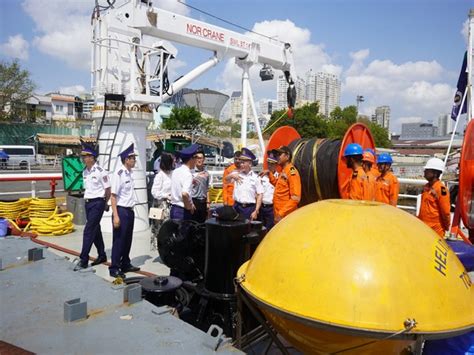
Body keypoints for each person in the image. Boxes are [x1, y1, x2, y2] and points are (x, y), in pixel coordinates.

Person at [74, 142, 111, 271]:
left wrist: (105, 203)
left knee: (88, 230)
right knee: (96, 229)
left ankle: (83, 259)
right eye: (83, 157)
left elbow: (108, 189)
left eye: (86, 156)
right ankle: (102, 255)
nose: (84, 159)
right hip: (88, 202)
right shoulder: (85, 171)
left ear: (92, 157)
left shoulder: (101, 171)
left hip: (98, 203)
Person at [109, 143, 140, 278]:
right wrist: (116, 216)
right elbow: (113, 196)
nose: (134, 160)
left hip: (129, 210)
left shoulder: (130, 173)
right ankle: (114, 267)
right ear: (126, 160)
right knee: (119, 240)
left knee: (128, 239)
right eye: (132, 158)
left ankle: (125, 263)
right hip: (121, 211)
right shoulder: (119, 174)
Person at [226, 147, 263, 220]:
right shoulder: (236, 173)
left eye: (243, 163)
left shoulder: (256, 178)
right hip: (236, 206)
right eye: (240, 163)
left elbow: (260, 194)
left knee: (247, 230)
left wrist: (256, 210)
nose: (241, 165)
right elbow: (226, 180)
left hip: (249, 208)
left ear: (249, 164)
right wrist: (232, 175)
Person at [418, 158, 451, 237]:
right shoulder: (427, 187)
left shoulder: (441, 190)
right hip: (423, 227)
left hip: (435, 230)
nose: (424, 172)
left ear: (435, 173)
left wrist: (446, 226)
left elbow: (446, 212)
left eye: (427, 170)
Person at [267, 145, 301, 223]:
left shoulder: (292, 172)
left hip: (286, 216)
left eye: (279, 154)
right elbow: (279, 186)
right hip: (279, 214)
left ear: (287, 156)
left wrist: (281, 214)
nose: (277, 157)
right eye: (277, 155)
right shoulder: (283, 170)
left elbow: (295, 198)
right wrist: (269, 174)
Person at [150, 152, 175, 249]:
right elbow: (154, 192)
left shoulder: (172, 174)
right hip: (162, 205)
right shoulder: (160, 175)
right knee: (161, 229)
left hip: (172, 204)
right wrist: (165, 196)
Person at [170, 144, 199, 221]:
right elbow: (184, 194)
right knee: (183, 232)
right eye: (195, 157)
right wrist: (189, 206)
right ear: (191, 159)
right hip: (182, 211)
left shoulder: (176, 171)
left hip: (174, 208)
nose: (196, 160)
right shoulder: (188, 174)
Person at [259, 152, 278, 231]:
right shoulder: (262, 176)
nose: (270, 166)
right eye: (269, 163)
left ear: (276, 165)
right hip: (262, 207)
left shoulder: (279, 177)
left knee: (270, 229)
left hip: (271, 208)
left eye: (272, 164)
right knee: (260, 229)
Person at [191, 150, 210, 223]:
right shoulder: (191, 172)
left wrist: (208, 203)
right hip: (194, 201)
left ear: (204, 159)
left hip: (203, 202)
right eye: (197, 158)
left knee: (202, 224)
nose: (199, 160)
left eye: (201, 158)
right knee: (192, 223)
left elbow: (207, 188)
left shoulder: (206, 173)